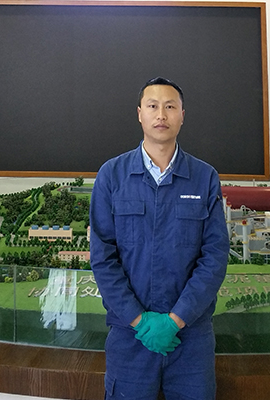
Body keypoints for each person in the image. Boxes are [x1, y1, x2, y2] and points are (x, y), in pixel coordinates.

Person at [89, 77, 230, 400]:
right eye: (153, 106)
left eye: (170, 107)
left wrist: (176, 320)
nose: (161, 115)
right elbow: (102, 257)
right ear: (140, 113)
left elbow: (215, 256)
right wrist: (139, 320)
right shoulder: (111, 176)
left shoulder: (204, 177)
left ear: (182, 115)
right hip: (129, 336)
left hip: (191, 338)